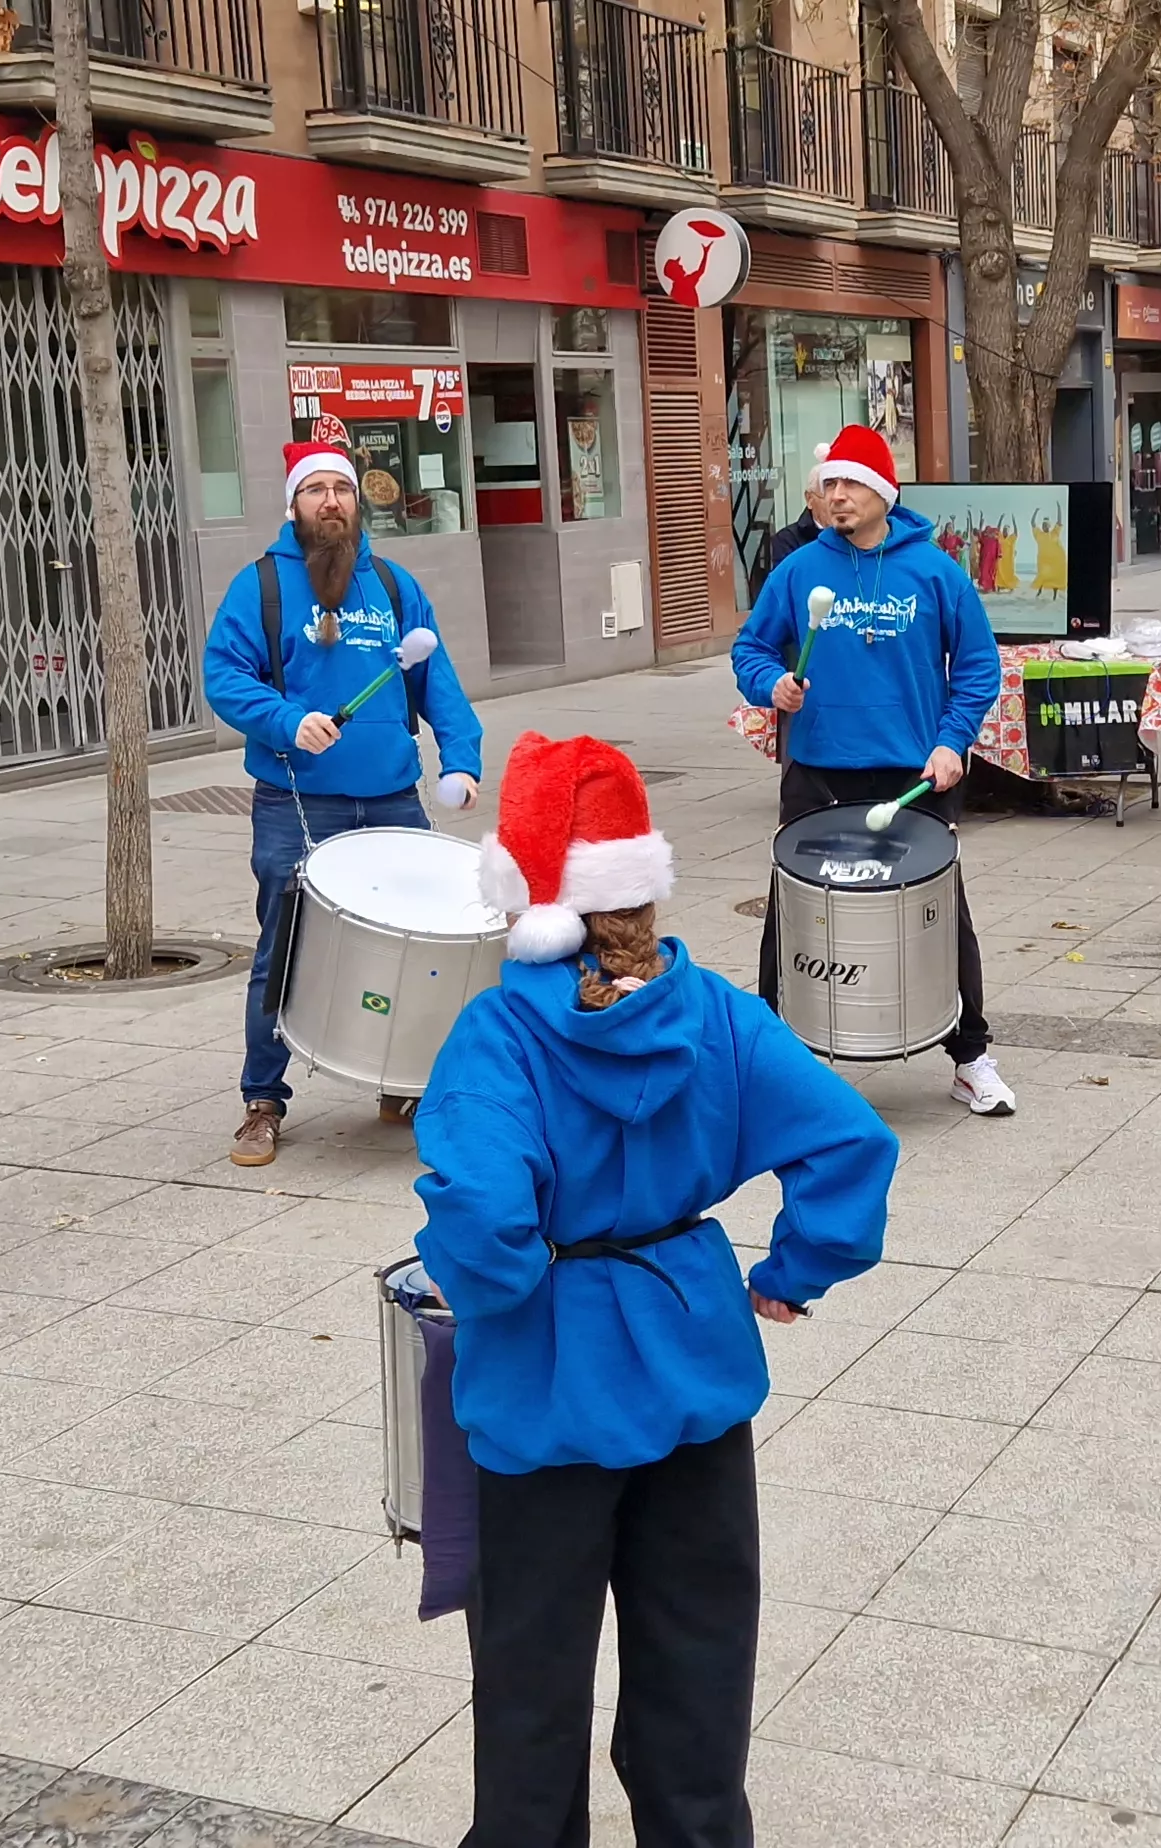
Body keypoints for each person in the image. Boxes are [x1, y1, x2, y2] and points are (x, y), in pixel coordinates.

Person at [418, 731, 896, 1848]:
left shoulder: (498, 1033)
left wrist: (489, 1288)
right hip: (695, 1364)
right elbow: (849, 1139)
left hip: (544, 1388)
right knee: (700, 1670)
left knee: (530, 1682)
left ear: (525, 896)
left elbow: (482, 1219)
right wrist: (795, 1267)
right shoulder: (717, 1011)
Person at [202, 441, 489, 1166]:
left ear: (358, 502)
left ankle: (403, 1082)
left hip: (393, 801)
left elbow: (438, 682)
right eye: (316, 489)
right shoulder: (261, 585)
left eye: (342, 488)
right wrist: (286, 720)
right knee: (282, 950)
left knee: (416, 951)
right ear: (293, 504)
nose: (330, 500)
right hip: (298, 803)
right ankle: (263, 1101)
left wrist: (461, 760)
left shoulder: (392, 584)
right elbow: (225, 677)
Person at [731, 424, 1017, 1116]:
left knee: (940, 914)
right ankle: (772, 1062)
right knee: (792, 915)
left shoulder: (936, 571)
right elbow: (751, 650)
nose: (837, 495)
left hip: (912, 774)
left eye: (851, 483)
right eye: (829, 483)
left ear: (884, 492)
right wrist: (771, 684)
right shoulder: (799, 570)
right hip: (817, 770)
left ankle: (970, 1055)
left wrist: (951, 742)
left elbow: (978, 666)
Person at [754, 483, 826, 583]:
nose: (836, 500)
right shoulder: (786, 540)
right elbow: (785, 584)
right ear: (810, 499)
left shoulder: (848, 535)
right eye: (827, 493)